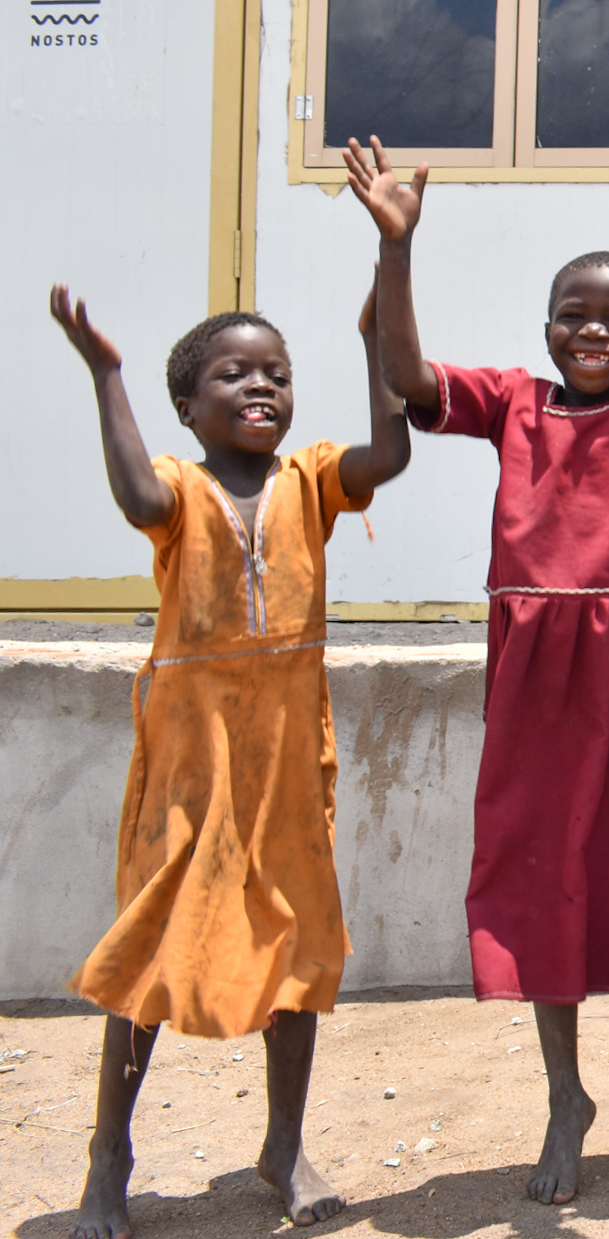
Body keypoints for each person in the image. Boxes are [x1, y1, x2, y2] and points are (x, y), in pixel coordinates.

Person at [346, 134, 609, 1202]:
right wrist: (398, 247)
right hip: (533, 667)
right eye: (575, 315)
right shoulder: (514, 405)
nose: (594, 331)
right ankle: (565, 1093)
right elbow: (405, 376)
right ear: (545, 332)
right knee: (543, 872)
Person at [50, 279, 411, 1238]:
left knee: (294, 952)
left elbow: (393, 452)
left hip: (288, 766)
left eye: (278, 374)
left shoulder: (313, 480)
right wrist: (107, 375)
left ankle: (283, 1146)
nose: (262, 386)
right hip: (189, 769)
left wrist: (376, 341)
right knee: (149, 956)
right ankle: (108, 1160)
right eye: (234, 373)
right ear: (189, 403)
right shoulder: (177, 488)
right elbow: (132, 494)